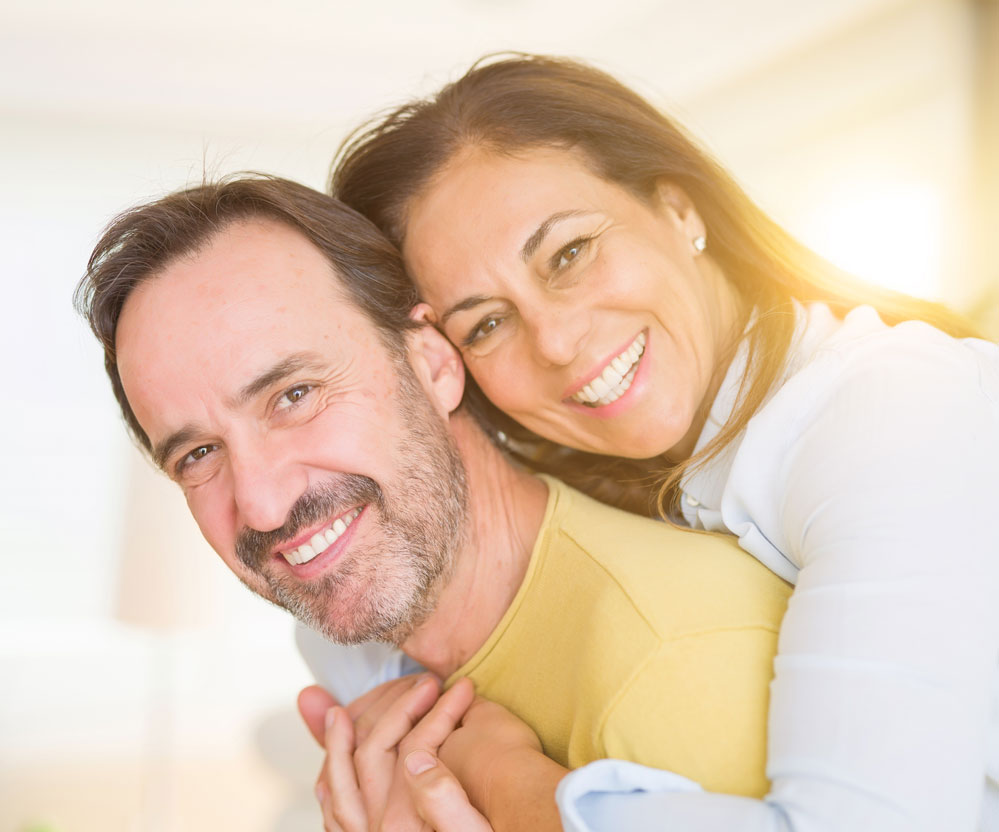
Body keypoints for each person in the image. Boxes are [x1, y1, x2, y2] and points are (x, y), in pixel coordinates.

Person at [320, 54, 999, 831]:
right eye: (487, 323)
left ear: (678, 208)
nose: (557, 341)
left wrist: (506, 784)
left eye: (568, 254)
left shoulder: (894, 417)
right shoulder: (616, 476)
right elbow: (344, 629)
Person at [74, 175, 795, 831]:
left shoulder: (680, 664)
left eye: (293, 396)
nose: (261, 506)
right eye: (197, 455)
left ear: (432, 362)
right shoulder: (352, 647)